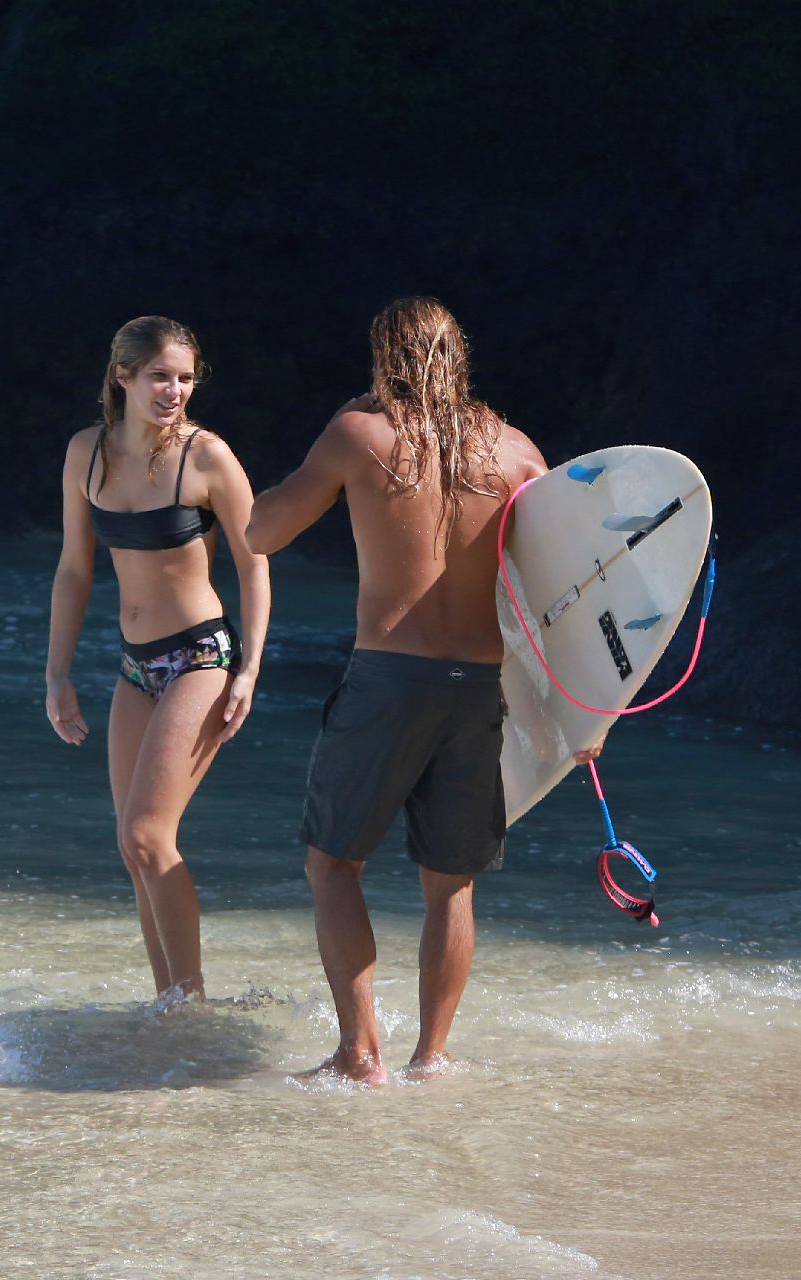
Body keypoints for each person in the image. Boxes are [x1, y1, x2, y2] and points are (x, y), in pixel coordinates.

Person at [246, 296, 601, 1084]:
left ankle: (358, 1052)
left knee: (333, 864)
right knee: (452, 883)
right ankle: (430, 1057)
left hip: (388, 682)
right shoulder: (517, 454)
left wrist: (331, 440)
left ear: (383, 358)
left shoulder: (359, 435)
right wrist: (584, 710)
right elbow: (569, 592)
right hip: (478, 689)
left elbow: (261, 533)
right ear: (459, 356)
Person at [46, 315, 270, 1004]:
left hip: (202, 655)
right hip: (135, 665)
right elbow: (75, 569)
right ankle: (166, 1002)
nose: (174, 390)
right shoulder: (87, 453)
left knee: (148, 834)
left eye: (185, 378)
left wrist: (251, 670)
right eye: (160, 377)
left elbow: (254, 563)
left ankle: (190, 1004)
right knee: (131, 845)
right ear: (123, 377)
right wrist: (57, 673)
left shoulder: (207, 457)